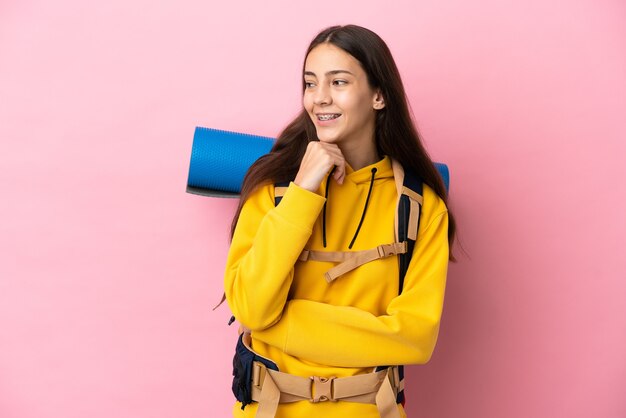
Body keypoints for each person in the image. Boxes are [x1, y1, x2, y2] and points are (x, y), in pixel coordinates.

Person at [223, 24, 456, 418]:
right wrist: (303, 191)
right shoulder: (275, 187)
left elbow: (416, 339)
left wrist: (280, 325)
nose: (320, 98)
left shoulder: (421, 207)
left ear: (379, 95)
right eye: (310, 83)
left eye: (339, 82)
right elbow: (250, 306)